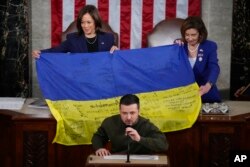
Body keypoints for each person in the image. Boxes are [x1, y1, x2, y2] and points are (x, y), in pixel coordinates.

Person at [91, 94, 168, 156]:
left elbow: (163, 145)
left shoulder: (146, 125)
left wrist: (140, 139)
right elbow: (98, 136)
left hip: (142, 163)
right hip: (116, 162)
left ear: (138, 111)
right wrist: (99, 148)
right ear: (120, 111)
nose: (128, 117)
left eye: (132, 113)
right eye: (124, 113)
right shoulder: (110, 122)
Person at [32, 5, 118, 58]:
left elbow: (116, 60)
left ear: (96, 22)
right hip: (80, 80)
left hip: (102, 78)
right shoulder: (73, 39)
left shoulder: (108, 38)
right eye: (82, 22)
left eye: (89, 22)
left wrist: (116, 52)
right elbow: (56, 50)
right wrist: (41, 52)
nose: (85, 26)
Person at [176, 16, 221, 103]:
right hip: (184, 96)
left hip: (205, 93)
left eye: (193, 35)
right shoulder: (180, 46)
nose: (190, 38)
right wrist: (175, 47)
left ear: (200, 34)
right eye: (187, 35)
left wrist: (208, 85)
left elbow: (214, 68)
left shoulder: (209, 46)